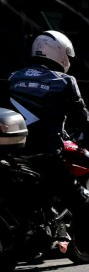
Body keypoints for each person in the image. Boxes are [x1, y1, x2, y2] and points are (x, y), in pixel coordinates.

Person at [9, 30, 89, 213]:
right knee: (83, 203)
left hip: (14, 155)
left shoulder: (14, 77)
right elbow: (83, 119)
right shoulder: (65, 81)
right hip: (45, 156)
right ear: (60, 52)